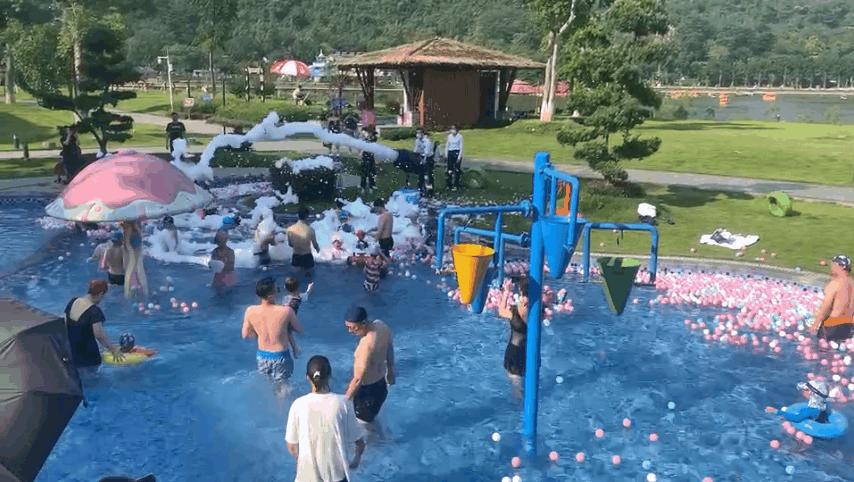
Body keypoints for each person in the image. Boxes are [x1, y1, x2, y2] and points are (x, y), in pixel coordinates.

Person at [285, 355, 366, 482]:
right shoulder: (343, 403)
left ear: (307, 378)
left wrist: (303, 460)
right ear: (329, 377)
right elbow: (360, 443)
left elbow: (291, 446)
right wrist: (356, 460)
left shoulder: (298, 405)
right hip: (336, 477)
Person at [242, 277, 302, 392]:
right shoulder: (286, 311)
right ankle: (281, 410)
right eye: (277, 290)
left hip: (262, 356)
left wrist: (261, 334)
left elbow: (245, 335)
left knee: (267, 386)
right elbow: (299, 329)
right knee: (282, 388)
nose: (278, 292)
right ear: (271, 295)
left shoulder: (250, 310)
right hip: (280, 356)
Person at [343, 306, 395, 424]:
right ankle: (385, 439)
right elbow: (389, 348)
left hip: (366, 395)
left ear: (364, 323)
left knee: (363, 428)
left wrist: (343, 403)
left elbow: (357, 380)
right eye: (347, 327)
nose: (350, 331)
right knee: (371, 421)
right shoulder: (381, 326)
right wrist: (391, 371)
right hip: (381, 387)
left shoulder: (365, 346)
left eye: (353, 327)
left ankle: (382, 441)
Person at [65, 280, 123, 367]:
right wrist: (113, 349)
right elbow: (99, 335)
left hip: (72, 350)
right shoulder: (94, 311)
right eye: (103, 296)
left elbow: (65, 322)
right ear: (100, 294)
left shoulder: (73, 301)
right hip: (89, 354)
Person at [810, 255, 854, 342]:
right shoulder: (852, 283)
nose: (831, 268)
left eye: (833, 265)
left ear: (841, 267)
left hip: (832, 324)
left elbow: (826, 306)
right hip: (847, 325)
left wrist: (815, 324)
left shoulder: (835, 284)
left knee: (822, 351)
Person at [498, 277, 529, 397]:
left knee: (516, 385)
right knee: (523, 380)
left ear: (520, 292)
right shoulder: (536, 311)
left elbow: (501, 311)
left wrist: (506, 292)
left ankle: (519, 408)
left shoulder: (514, 312)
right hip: (528, 351)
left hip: (513, 351)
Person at [766, 380, 831, 424]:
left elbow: (796, 419)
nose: (802, 391)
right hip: (821, 419)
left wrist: (775, 411)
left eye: (805, 390)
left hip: (814, 428)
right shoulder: (824, 403)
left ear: (812, 395)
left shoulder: (812, 410)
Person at [283, 276, 314, 359]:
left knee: (288, 333)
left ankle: (295, 349)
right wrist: (309, 287)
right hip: (291, 319)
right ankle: (295, 349)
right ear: (298, 287)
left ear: (285, 287)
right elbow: (307, 294)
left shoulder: (285, 298)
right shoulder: (299, 298)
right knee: (289, 333)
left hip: (286, 319)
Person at [287, 207, 320, 278]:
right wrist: (318, 249)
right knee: (310, 278)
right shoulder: (310, 230)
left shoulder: (290, 229)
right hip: (307, 257)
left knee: (295, 279)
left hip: (296, 257)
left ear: (298, 215)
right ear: (307, 216)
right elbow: (315, 245)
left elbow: (290, 244)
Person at [121, 221, 148, 299]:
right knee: (138, 272)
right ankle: (144, 293)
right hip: (134, 253)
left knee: (132, 271)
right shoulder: (135, 230)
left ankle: (129, 294)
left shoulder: (129, 231)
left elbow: (128, 245)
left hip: (132, 254)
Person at [414, 128, 435, 197]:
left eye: (419, 133)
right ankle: (420, 190)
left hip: (428, 158)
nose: (418, 135)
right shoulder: (417, 141)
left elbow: (427, 152)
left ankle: (430, 191)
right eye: (417, 133)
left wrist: (424, 160)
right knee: (420, 175)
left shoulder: (427, 141)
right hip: (421, 157)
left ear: (423, 134)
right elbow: (416, 150)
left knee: (428, 176)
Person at [445, 125, 464, 191]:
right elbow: (447, 145)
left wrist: (459, 157)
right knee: (449, 170)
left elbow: (461, 147)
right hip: (450, 152)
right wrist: (446, 155)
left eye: (454, 129)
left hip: (457, 152)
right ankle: (449, 184)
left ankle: (456, 184)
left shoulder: (460, 137)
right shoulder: (449, 136)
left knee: (456, 169)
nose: (453, 131)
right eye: (452, 129)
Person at [359, 127, 377, 193]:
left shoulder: (373, 138)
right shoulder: (364, 139)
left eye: (365, 132)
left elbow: (373, 140)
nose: (364, 133)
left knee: (371, 173)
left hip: (371, 158)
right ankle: (363, 187)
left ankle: (371, 186)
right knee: (364, 173)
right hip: (365, 158)